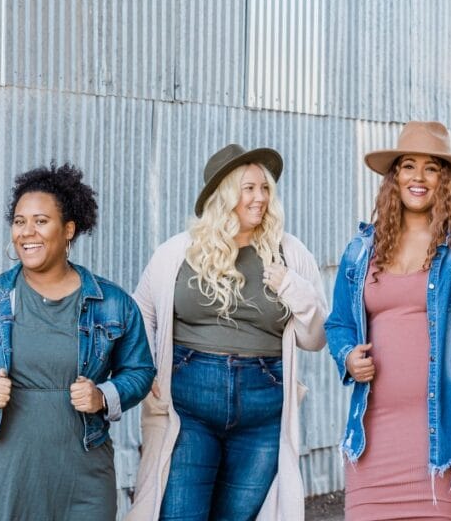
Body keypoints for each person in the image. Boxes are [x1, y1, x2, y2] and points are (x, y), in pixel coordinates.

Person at [324, 121, 451, 520]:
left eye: (431, 167)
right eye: (408, 166)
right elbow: (338, 323)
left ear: (445, 180)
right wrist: (347, 356)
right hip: (374, 433)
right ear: (394, 176)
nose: (419, 177)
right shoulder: (361, 250)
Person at [0, 162, 156, 520]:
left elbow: (140, 370)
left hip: (81, 473)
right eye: (20, 221)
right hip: (0, 470)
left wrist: (103, 396)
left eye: (41, 221)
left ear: (68, 229)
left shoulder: (113, 303)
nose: (27, 232)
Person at [127, 144, 327, 521]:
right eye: (248, 188)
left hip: (263, 406)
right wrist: (146, 365)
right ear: (224, 194)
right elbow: (142, 311)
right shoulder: (177, 252)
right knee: (180, 512)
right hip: (188, 407)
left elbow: (316, 338)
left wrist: (291, 287)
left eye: (264, 188)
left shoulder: (290, 252)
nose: (260, 198)